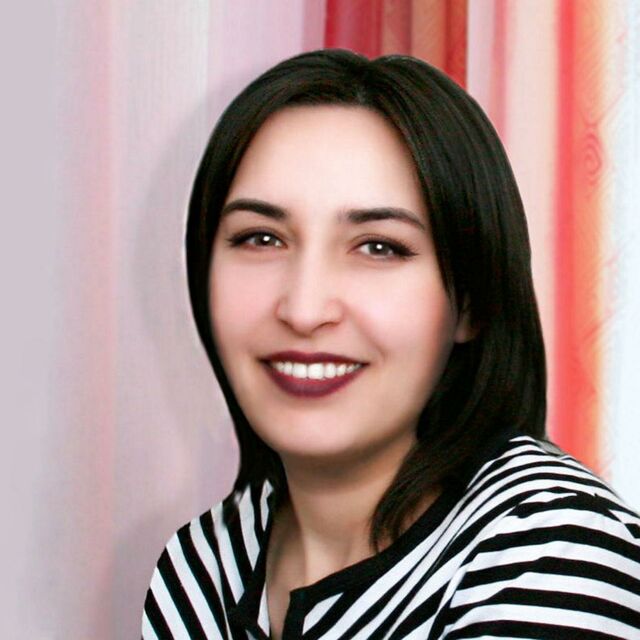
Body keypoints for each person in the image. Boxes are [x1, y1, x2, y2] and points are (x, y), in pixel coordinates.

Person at [141, 49, 640, 640]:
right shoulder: (201, 565)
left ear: (471, 301)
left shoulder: (553, 554)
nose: (304, 310)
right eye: (261, 238)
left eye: (379, 247)